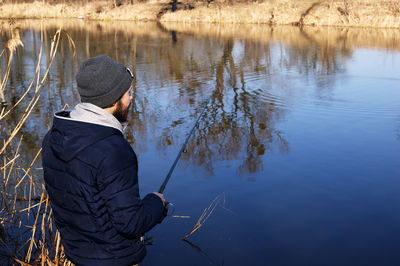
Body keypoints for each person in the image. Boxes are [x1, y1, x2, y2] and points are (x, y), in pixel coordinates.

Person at [42, 54, 166, 266]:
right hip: (113, 259)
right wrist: (157, 202)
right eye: (128, 93)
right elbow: (130, 223)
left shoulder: (56, 135)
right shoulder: (113, 151)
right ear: (114, 99)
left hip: (76, 253)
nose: (131, 98)